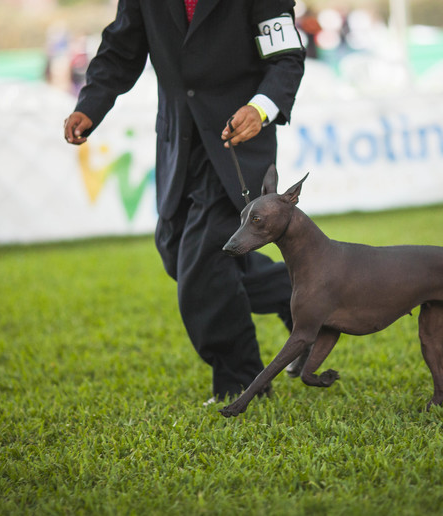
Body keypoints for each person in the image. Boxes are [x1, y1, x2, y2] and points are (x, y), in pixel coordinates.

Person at [63, 0, 306, 404]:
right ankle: (291, 293)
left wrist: (260, 109)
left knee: (204, 260)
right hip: (179, 141)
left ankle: (242, 380)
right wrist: (90, 104)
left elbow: (286, 59)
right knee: (176, 251)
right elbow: (121, 48)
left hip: (236, 141)